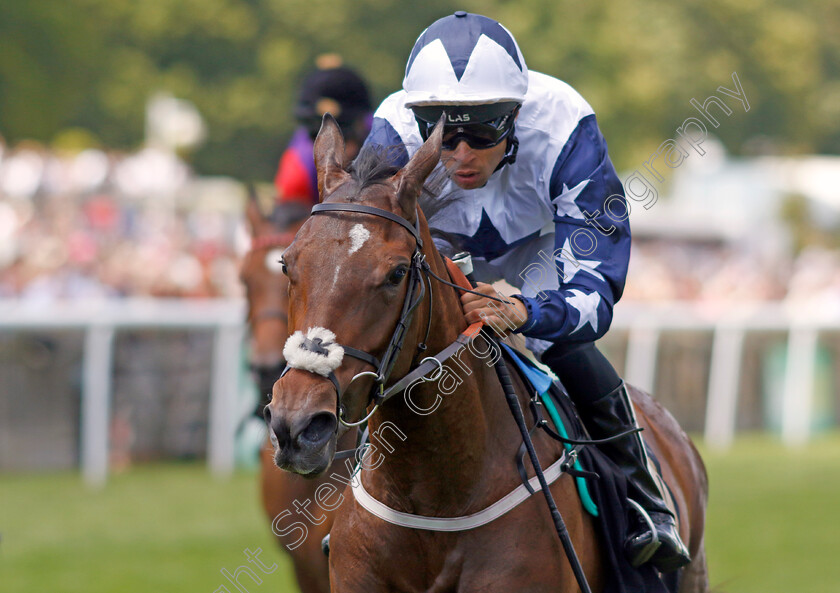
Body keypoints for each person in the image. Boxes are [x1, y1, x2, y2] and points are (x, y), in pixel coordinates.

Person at [362, 12, 690, 573]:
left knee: (559, 347)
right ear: (420, 120)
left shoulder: (565, 125)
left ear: (515, 116)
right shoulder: (393, 132)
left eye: (482, 132)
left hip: (540, 257)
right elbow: (363, 248)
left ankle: (643, 498)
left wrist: (524, 310)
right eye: (443, 132)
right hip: (438, 257)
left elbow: (594, 290)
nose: (461, 153)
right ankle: (350, 502)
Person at [274, 57, 373, 216]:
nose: (333, 150)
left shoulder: (384, 145)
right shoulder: (297, 170)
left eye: (344, 138)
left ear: (362, 126)